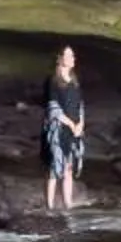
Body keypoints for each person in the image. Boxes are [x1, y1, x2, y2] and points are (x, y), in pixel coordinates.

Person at [42, 44, 86, 211]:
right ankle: (50, 206)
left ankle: (68, 204)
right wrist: (68, 122)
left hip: (74, 129)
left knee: (68, 167)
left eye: (73, 56)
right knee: (54, 167)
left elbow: (79, 104)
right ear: (59, 59)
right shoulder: (52, 81)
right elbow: (52, 105)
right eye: (68, 56)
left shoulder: (74, 80)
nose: (72, 59)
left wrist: (80, 123)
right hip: (58, 128)